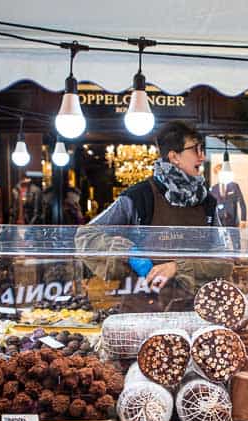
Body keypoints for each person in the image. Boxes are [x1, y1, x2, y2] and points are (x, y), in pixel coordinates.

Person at [75, 121, 231, 312]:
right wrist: (129, 253)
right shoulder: (138, 198)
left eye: (202, 149)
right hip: (142, 309)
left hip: (195, 310)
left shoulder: (208, 203)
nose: (202, 156)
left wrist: (179, 267)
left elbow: (225, 262)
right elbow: (85, 237)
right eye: (195, 149)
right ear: (174, 157)